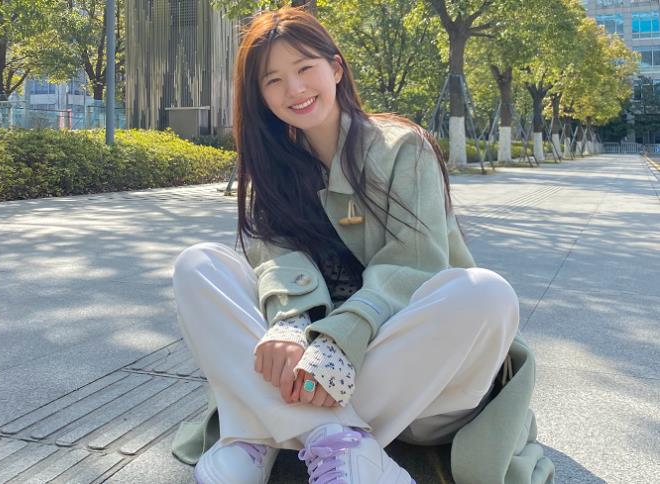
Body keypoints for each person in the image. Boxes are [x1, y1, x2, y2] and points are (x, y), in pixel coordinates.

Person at [171, 6, 554, 484]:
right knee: (199, 266)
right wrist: (289, 324)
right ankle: (339, 443)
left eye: (305, 68)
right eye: (274, 80)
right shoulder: (275, 167)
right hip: (313, 369)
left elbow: (414, 264)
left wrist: (340, 338)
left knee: (487, 293)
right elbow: (272, 260)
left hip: (412, 379)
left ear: (335, 68)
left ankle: (259, 430)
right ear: (260, 96)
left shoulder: (403, 148)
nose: (294, 89)